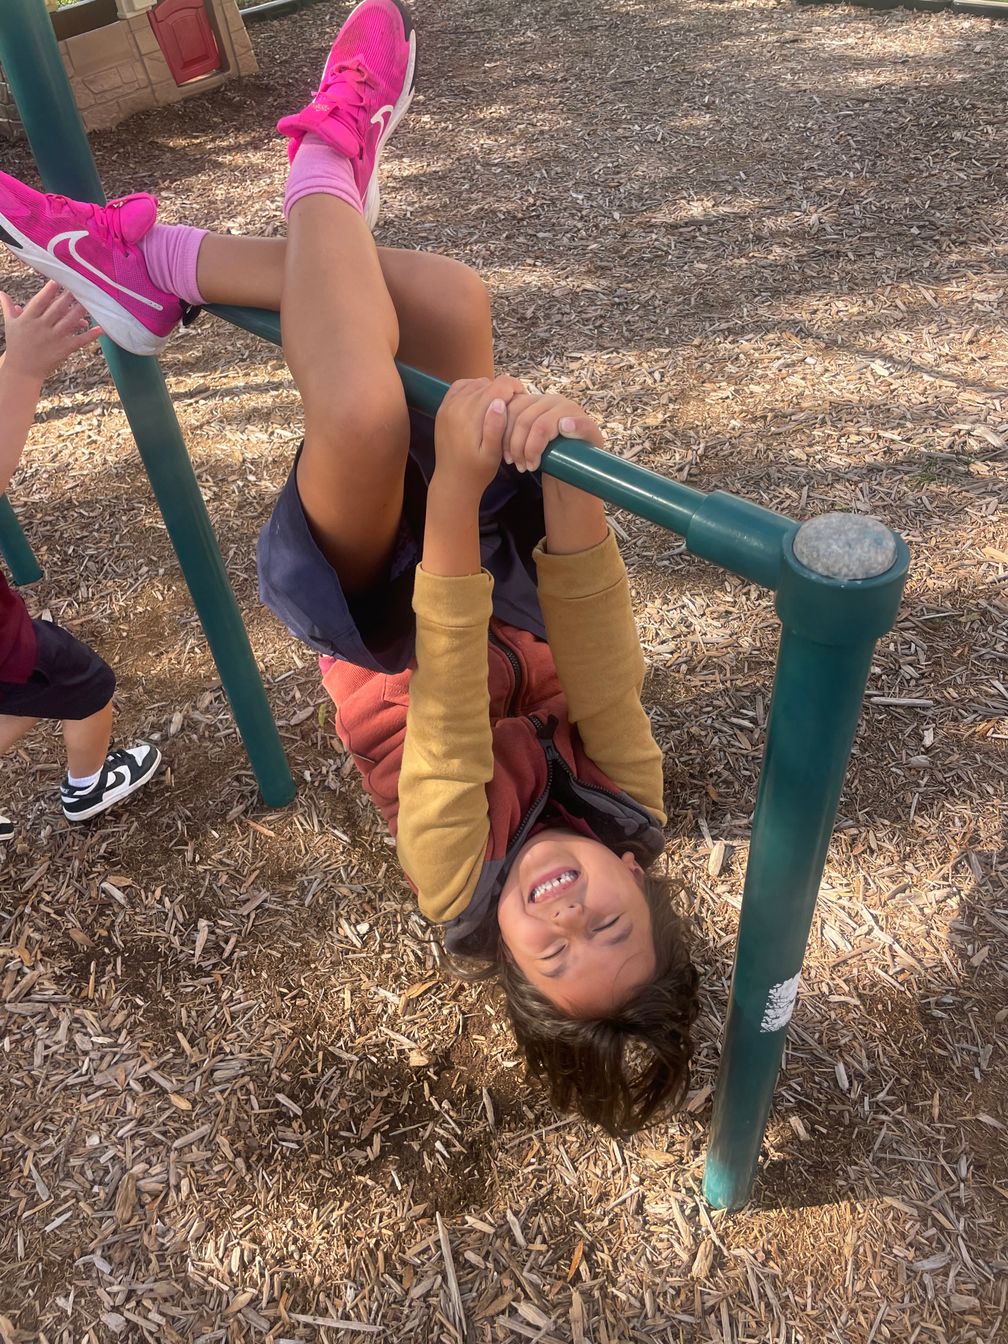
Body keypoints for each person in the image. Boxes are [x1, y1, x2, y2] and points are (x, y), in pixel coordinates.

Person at [0, 0, 698, 1134]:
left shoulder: (454, 880)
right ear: (647, 894)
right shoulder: (629, 807)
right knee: (442, 298)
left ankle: (327, 147)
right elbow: (602, 658)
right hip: (494, 590)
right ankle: (153, 269)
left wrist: (465, 490)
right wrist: (574, 485)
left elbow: (445, 715)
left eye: (553, 954)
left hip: (378, 630)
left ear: (509, 962)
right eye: (609, 928)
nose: (566, 915)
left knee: (370, 413)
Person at [0, 281, 161, 838]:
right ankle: (87, 786)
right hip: (4, 642)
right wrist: (21, 368)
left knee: (26, 693)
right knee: (86, 683)